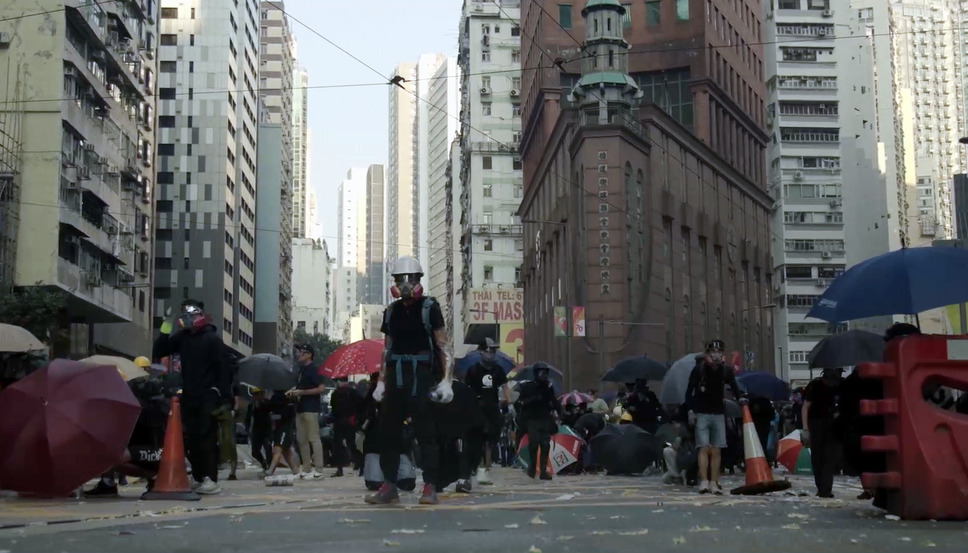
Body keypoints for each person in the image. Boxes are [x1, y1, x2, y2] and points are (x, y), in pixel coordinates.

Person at [366, 256, 454, 505]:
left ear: (419, 280)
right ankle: (389, 485)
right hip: (396, 375)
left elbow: (443, 346)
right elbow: (387, 348)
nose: (405, 284)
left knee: (426, 432)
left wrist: (446, 380)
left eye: (411, 279)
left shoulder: (430, 307)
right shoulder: (391, 311)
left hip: (422, 375)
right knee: (388, 432)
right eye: (400, 280)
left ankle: (430, 486)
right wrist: (381, 382)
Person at [152, 299, 229, 495]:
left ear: (198, 317)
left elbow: (224, 369)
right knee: (192, 438)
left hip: (208, 395)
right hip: (189, 394)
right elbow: (160, 350)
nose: (186, 321)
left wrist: (220, 393)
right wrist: (166, 325)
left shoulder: (212, 339)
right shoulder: (183, 338)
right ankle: (197, 477)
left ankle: (210, 478)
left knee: (207, 437)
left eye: (190, 317)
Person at [684, 339, 743, 495]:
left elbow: (735, 387)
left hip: (718, 413)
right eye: (713, 352)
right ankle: (703, 481)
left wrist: (741, 398)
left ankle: (714, 482)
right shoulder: (699, 370)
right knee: (703, 447)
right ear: (708, 354)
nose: (716, 355)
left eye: (719, 352)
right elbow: (689, 391)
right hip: (702, 412)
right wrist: (691, 410)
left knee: (717, 449)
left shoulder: (726, 371)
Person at [463, 337, 511, 486]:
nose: (491, 353)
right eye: (488, 350)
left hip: (493, 408)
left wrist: (507, 399)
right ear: (481, 351)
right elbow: (467, 389)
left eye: (493, 350)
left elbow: (504, 386)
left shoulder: (498, 369)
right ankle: (480, 468)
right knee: (480, 437)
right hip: (478, 408)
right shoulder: (473, 370)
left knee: (491, 438)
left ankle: (485, 467)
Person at [801, 368, 845, 498]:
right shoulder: (815, 385)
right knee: (818, 457)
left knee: (830, 457)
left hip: (834, 424)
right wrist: (805, 428)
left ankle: (825, 489)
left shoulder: (841, 385)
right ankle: (821, 487)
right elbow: (806, 406)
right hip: (817, 424)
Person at [286, 344, 326, 479]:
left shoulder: (315, 369)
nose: (299, 355)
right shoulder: (301, 370)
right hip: (300, 407)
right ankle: (306, 469)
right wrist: (293, 392)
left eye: (302, 352)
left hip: (311, 408)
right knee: (301, 439)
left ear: (309, 354)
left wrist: (302, 392)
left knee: (313, 438)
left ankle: (319, 470)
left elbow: (321, 388)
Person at [516, 362, 560, 480]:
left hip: (545, 419)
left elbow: (553, 401)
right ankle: (532, 465)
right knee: (534, 444)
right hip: (532, 420)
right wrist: (534, 399)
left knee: (545, 445)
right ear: (535, 373)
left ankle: (543, 470)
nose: (543, 375)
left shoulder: (548, 387)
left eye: (545, 372)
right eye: (541, 372)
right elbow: (521, 403)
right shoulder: (528, 386)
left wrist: (560, 411)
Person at [329, 380, 360, 477]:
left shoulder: (349, 393)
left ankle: (352, 464)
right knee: (342, 445)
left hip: (345, 421)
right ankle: (343, 467)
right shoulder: (350, 392)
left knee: (348, 444)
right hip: (345, 421)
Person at [265, 391, 299, 477]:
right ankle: (295, 470)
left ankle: (270, 470)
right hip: (278, 427)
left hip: (285, 427)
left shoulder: (289, 397)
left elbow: (289, 413)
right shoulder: (275, 397)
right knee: (285, 451)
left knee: (278, 448)